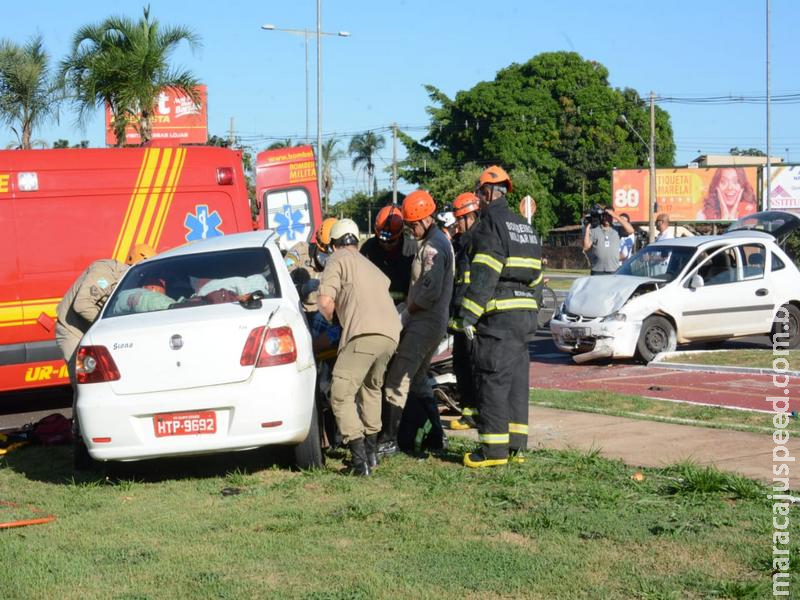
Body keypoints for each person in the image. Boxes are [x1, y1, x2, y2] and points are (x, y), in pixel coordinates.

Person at [455, 166, 541, 468]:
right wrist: (529, 308)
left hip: (499, 317)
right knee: (517, 381)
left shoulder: (490, 223)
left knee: (491, 379)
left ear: (489, 192)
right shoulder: (524, 226)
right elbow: (537, 278)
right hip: (525, 315)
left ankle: (492, 451)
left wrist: (466, 317)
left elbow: (484, 274)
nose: (479, 198)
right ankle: (516, 445)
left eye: (480, 192)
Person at [317, 219, 401, 476]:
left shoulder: (337, 259)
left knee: (340, 393)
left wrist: (331, 322)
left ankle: (358, 460)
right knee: (371, 389)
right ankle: (372, 454)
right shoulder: (370, 264)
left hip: (363, 333)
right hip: (391, 334)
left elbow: (325, 301)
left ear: (334, 244)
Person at [379, 190, 454, 456]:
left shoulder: (433, 247)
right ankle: (436, 437)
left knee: (396, 379)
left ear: (424, 219)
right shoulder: (436, 241)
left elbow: (428, 293)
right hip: (431, 323)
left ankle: (387, 441)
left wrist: (406, 311)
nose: (411, 231)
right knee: (419, 379)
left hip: (425, 323)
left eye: (412, 225)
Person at [55, 243, 156, 386]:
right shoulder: (107, 272)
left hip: (96, 330)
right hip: (73, 329)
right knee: (84, 382)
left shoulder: (133, 282)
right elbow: (82, 304)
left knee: (110, 381)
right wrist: (109, 325)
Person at [447, 192, 481, 431]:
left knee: (475, 365)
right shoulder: (462, 243)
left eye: (460, 219)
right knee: (461, 364)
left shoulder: (479, 241)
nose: (456, 224)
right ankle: (468, 411)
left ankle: (479, 412)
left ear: (471, 217)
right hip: (460, 315)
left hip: (473, 316)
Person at [360, 205, 414, 306]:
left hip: (405, 309)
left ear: (400, 234)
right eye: (381, 240)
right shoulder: (368, 249)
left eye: (391, 241)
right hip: (375, 307)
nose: (385, 244)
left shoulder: (412, 249)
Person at [285, 217, 338, 312]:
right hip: (301, 312)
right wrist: (303, 289)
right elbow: (283, 279)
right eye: (325, 251)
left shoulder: (343, 261)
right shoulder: (299, 252)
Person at [582, 207, 634, 275]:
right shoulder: (595, 230)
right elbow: (586, 247)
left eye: (609, 216)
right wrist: (587, 228)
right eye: (605, 215)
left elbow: (631, 230)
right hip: (597, 269)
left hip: (613, 269)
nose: (607, 218)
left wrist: (615, 215)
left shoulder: (617, 230)